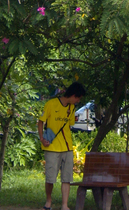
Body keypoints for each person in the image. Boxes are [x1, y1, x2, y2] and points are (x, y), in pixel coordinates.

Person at [38, 82, 86, 210]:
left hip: (67, 147)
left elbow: (70, 124)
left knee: (67, 178)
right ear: (74, 95)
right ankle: (49, 201)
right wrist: (42, 138)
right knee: (50, 178)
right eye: (78, 98)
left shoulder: (72, 108)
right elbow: (41, 122)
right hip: (52, 147)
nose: (78, 101)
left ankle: (64, 205)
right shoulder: (51, 104)